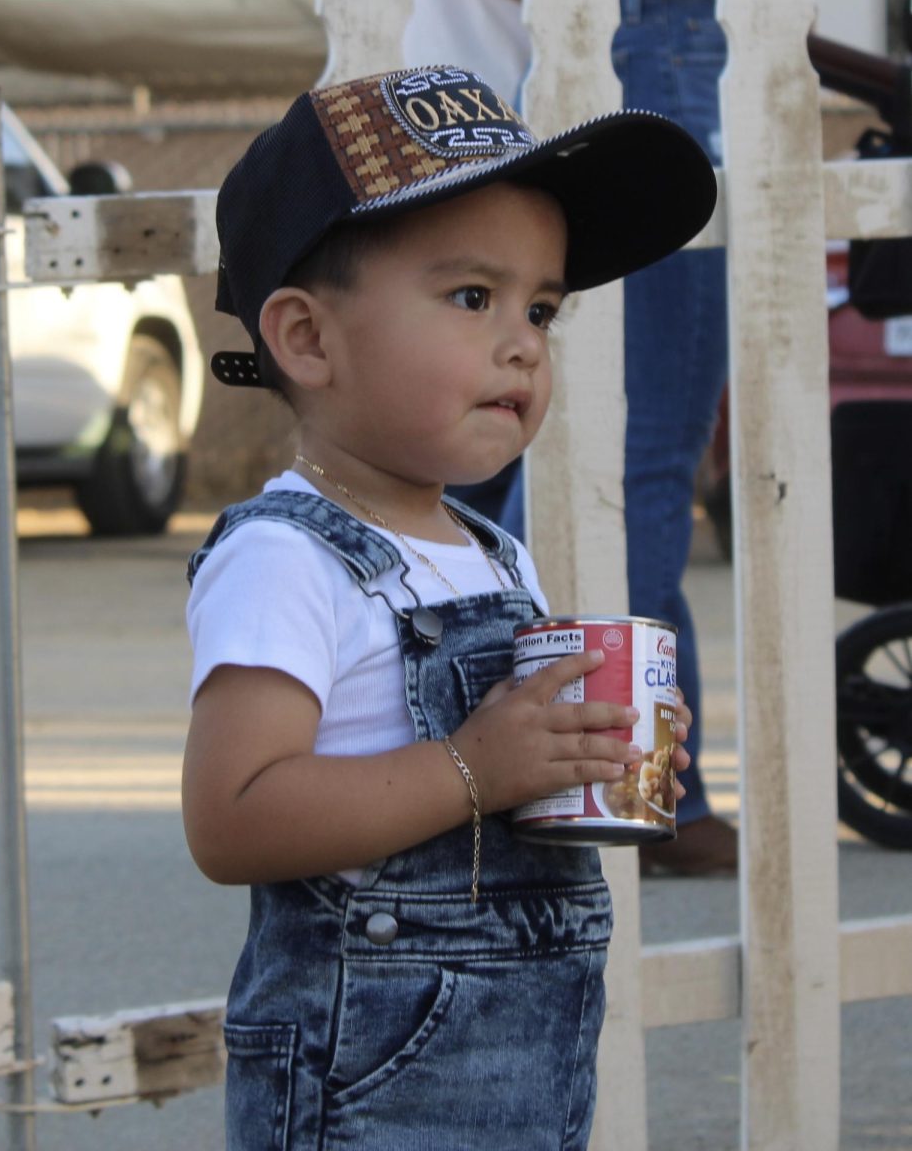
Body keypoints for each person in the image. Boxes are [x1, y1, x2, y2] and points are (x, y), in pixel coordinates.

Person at [182, 65, 713, 1148]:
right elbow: (231, 815)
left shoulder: (488, 550)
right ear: (306, 339)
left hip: (523, 1060)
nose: (521, 341)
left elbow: (503, 774)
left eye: (541, 308)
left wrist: (582, 752)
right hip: (370, 1084)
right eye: (472, 298)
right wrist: (476, 767)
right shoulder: (287, 557)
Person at [405, 0, 737, 876]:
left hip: (462, 107)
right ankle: (591, 776)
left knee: (531, 479)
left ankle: (624, 775)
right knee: (628, 471)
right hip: (614, 54)